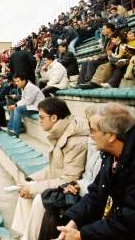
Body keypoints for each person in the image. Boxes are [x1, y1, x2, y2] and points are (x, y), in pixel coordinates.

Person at [11, 97, 89, 239]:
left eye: (41, 117)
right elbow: (54, 169)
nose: (39, 120)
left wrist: (34, 188)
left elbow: (70, 179)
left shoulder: (75, 140)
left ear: (54, 118)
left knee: (39, 198)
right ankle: (24, 235)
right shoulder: (61, 132)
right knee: (25, 191)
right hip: (62, 182)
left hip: (74, 189)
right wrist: (31, 180)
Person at [57, 103, 135, 240]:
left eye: (92, 130)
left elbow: (129, 221)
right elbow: (95, 194)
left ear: (111, 135)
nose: (90, 134)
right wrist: (74, 221)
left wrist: (82, 235)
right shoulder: (111, 156)